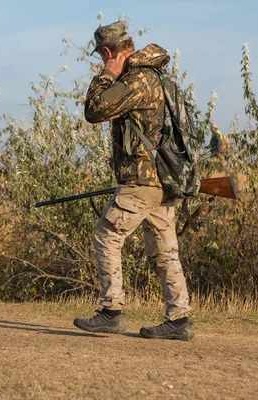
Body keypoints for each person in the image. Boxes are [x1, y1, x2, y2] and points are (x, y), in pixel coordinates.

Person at [72, 21, 193, 340]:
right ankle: (179, 319)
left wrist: (107, 73)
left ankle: (111, 311)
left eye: (102, 56)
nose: (101, 61)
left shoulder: (136, 79)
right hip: (162, 180)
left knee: (106, 236)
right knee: (164, 250)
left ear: (109, 51)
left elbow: (94, 110)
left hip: (141, 181)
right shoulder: (157, 77)